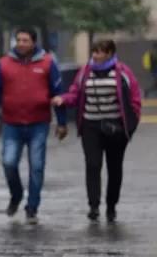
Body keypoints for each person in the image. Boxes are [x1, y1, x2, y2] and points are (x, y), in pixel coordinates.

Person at [52, 39, 142, 223]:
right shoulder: (85, 72)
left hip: (115, 127)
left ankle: (111, 206)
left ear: (109, 53)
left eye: (99, 52)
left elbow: (135, 97)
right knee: (93, 165)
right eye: (93, 52)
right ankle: (93, 206)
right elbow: (75, 93)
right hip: (90, 126)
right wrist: (63, 99)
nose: (95, 55)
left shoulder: (122, 72)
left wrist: (131, 123)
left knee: (114, 168)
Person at [0, 27, 68, 224]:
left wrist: (62, 123)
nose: (21, 44)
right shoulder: (3, 64)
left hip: (38, 124)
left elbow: (58, 93)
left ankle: (32, 207)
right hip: (12, 125)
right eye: (18, 40)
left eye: (25, 40)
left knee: (37, 166)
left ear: (34, 42)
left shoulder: (47, 63)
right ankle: (16, 194)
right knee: (8, 162)